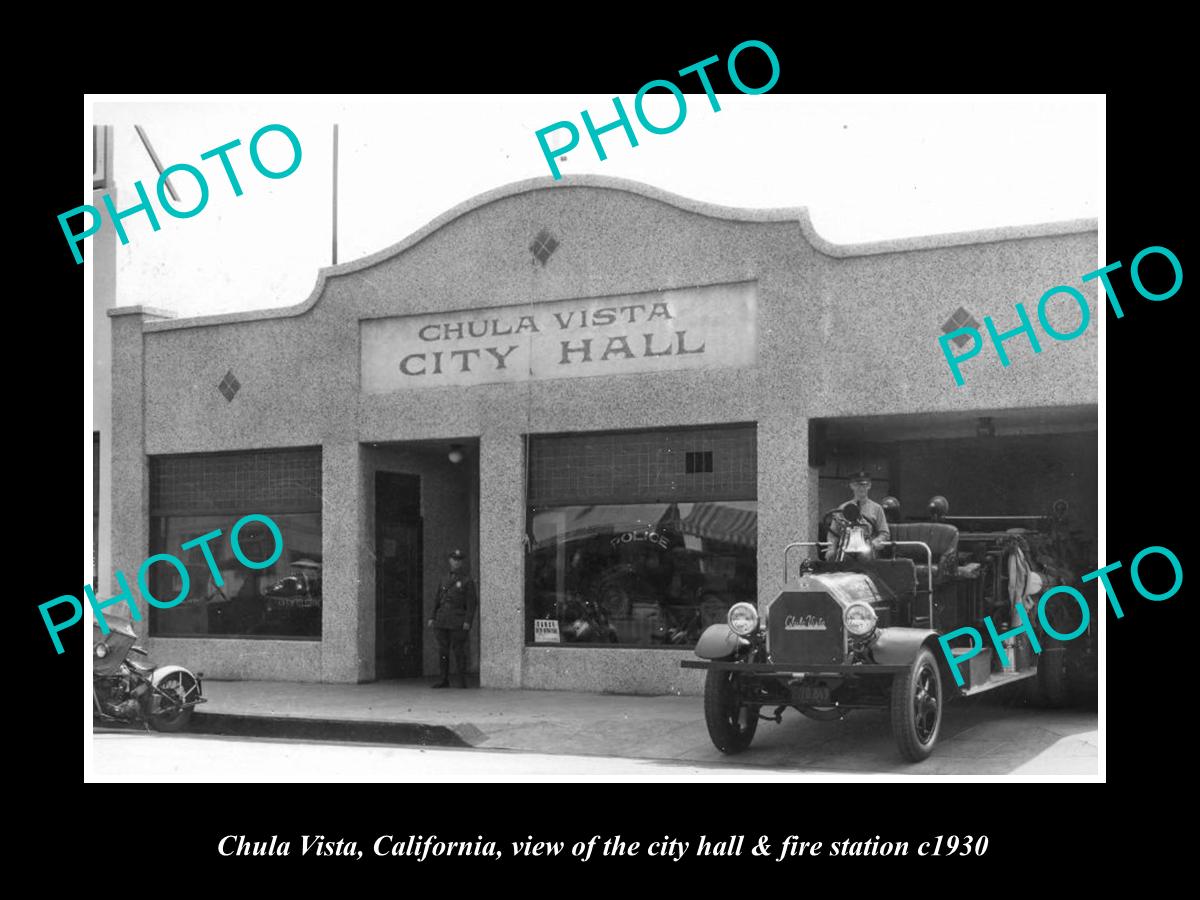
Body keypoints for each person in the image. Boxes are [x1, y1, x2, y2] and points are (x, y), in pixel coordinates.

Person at [427, 549, 477, 688]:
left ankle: (462, 680)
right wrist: (432, 617)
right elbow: (437, 599)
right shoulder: (444, 578)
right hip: (442, 619)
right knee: (443, 651)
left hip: (457, 620)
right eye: (454, 559)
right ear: (450, 560)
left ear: (462, 562)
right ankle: (444, 679)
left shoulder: (467, 580)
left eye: (459, 560)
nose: (456, 562)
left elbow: (471, 603)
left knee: (458, 650)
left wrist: (468, 621)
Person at [828, 471, 891, 551]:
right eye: (857, 485)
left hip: (868, 550)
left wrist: (874, 543)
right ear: (851, 486)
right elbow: (833, 532)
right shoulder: (843, 508)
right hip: (845, 548)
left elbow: (884, 533)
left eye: (865, 485)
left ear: (869, 486)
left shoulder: (877, 508)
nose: (861, 488)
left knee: (865, 558)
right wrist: (831, 549)